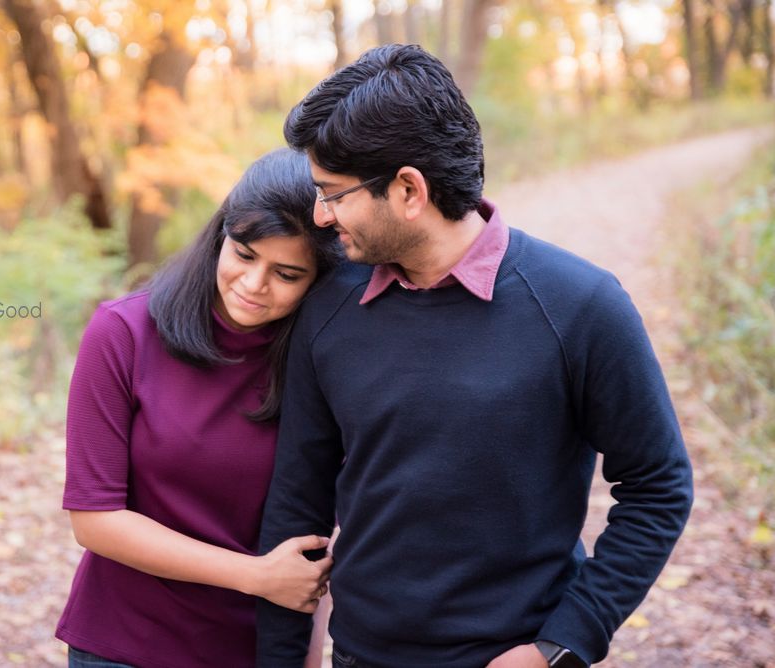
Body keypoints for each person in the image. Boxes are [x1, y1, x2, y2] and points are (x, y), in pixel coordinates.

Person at [257, 45, 694, 668]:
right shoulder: (328, 310)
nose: (321, 216)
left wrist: (559, 646)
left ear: (409, 189)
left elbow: (658, 485)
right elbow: (298, 506)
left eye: (334, 194)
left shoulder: (580, 305)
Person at [56, 149, 343, 668]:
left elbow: (313, 538)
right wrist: (255, 576)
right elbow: (95, 519)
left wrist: (305, 652)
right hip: (125, 645)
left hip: (256, 649)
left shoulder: (320, 358)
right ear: (220, 235)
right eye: (245, 253)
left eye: (287, 273)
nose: (254, 285)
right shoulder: (123, 333)